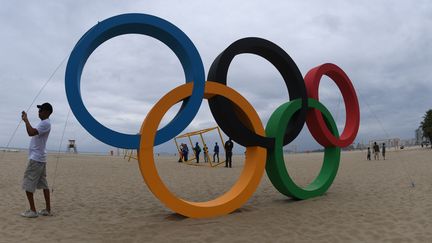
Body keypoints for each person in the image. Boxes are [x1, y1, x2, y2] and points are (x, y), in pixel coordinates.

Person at [21, 103, 53, 218]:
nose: (39, 112)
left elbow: (31, 132)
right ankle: (47, 210)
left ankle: (33, 210)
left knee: (28, 184)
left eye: (41, 110)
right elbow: (33, 132)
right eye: (39, 110)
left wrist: (26, 120)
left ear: (48, 112)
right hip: (40, 158)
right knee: (44, 185)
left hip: (36, 159)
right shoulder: (44, 123)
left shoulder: (45, 123)